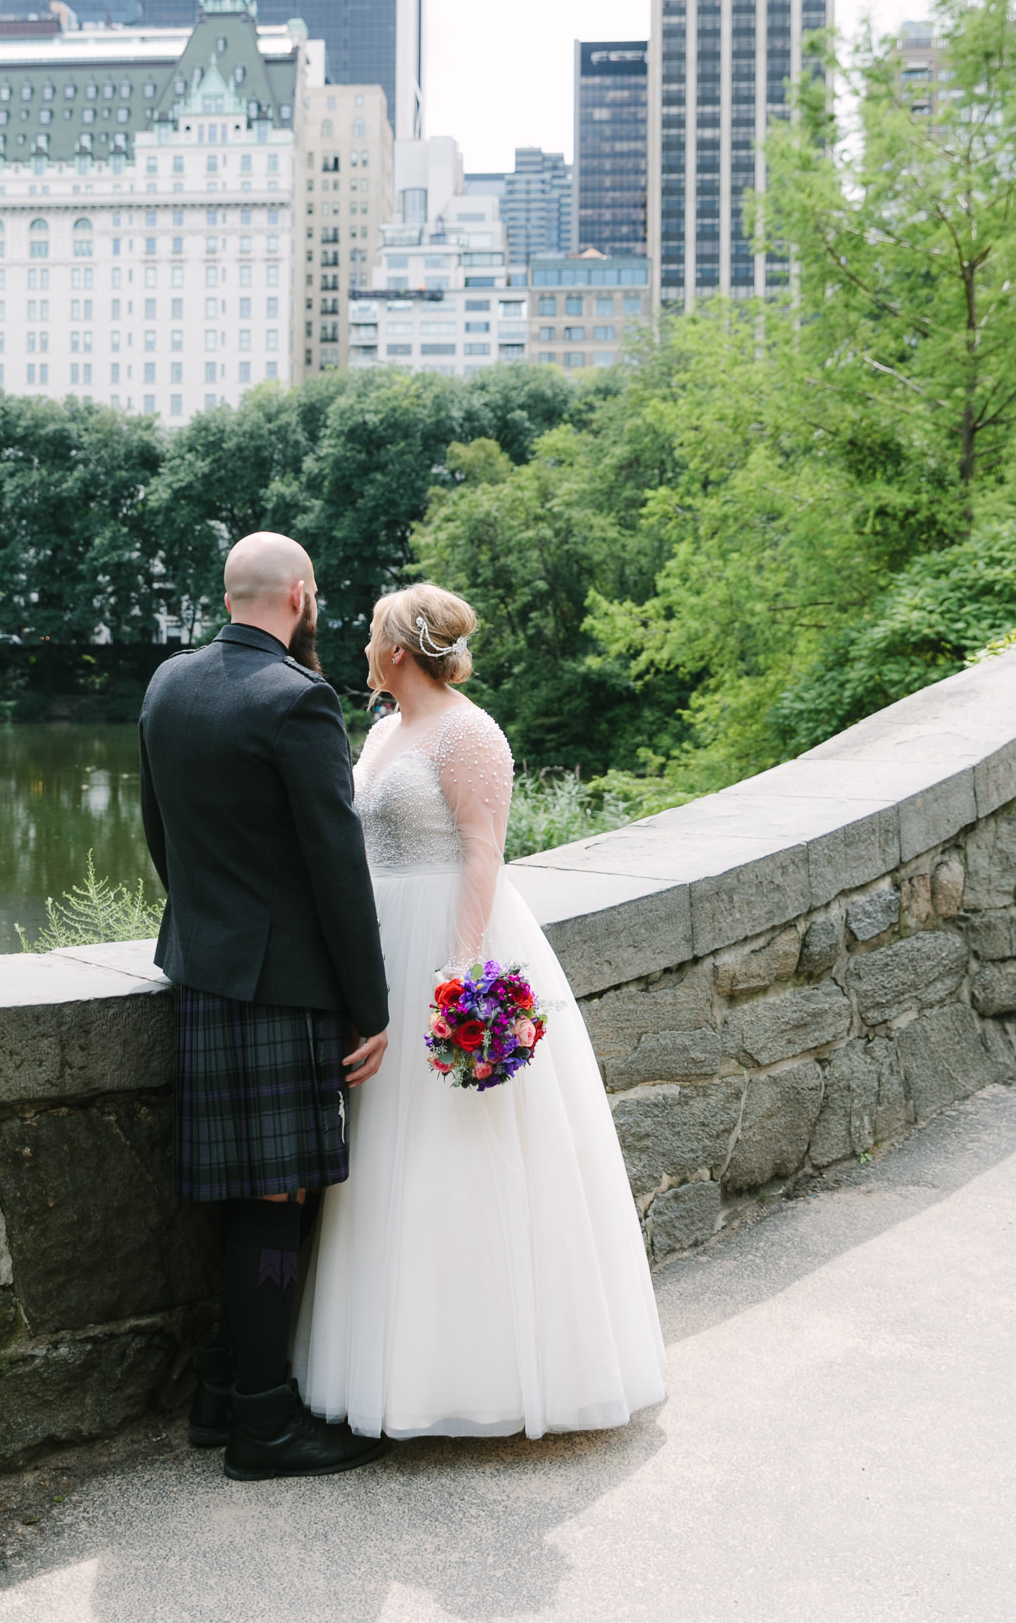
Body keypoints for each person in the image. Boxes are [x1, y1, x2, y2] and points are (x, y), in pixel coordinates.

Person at [294, 582, 665, 1439]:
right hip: (379, 940)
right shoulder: (385, 729)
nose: (362, 652)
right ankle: (394, 1369)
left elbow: (483, 850)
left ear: (395, 650)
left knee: (457, 1154)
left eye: (371, 638)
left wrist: (459, 971)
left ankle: (483, 1377)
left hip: (446, 940)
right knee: (385, 1153)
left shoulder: (470, 732)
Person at [139, 531, 390, 1482]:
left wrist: (208, 928)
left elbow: (158, 833)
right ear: (300, 595)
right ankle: (265, 1423)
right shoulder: (299, 699)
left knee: (253, 1202)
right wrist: (369, 1004)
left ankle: (218, 1389)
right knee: (275, 1209)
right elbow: (338, 868)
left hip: (204, 969)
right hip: (282, 990)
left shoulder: (169, 683)